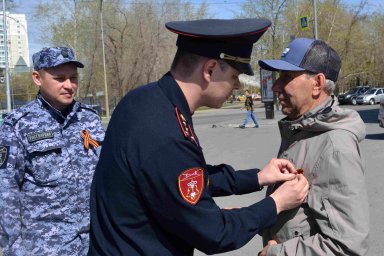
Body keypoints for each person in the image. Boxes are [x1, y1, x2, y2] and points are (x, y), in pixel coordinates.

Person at [88, 18, 309, 256]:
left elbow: (186, 178)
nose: (236, 86)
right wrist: (276, 204)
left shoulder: (147, 100)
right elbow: (215, 233)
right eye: (235, 76)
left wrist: (257, 178)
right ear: (210, 70)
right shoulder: (165, 134)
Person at [257, 38, 369, 255]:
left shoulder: (335, 146)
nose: (276, 85)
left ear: (317, 83)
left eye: (287, 77)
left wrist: (276, 254)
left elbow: (347, 247)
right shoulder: (302, 130)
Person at [0, 47, 105, 255]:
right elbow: (5, 192)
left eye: (73, 78)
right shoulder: (17, 125)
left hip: (94, 243)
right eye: (59, 78)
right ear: (37, 78)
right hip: (45, 247)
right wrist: (13, 247)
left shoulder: (89, 119)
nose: (69, 86)